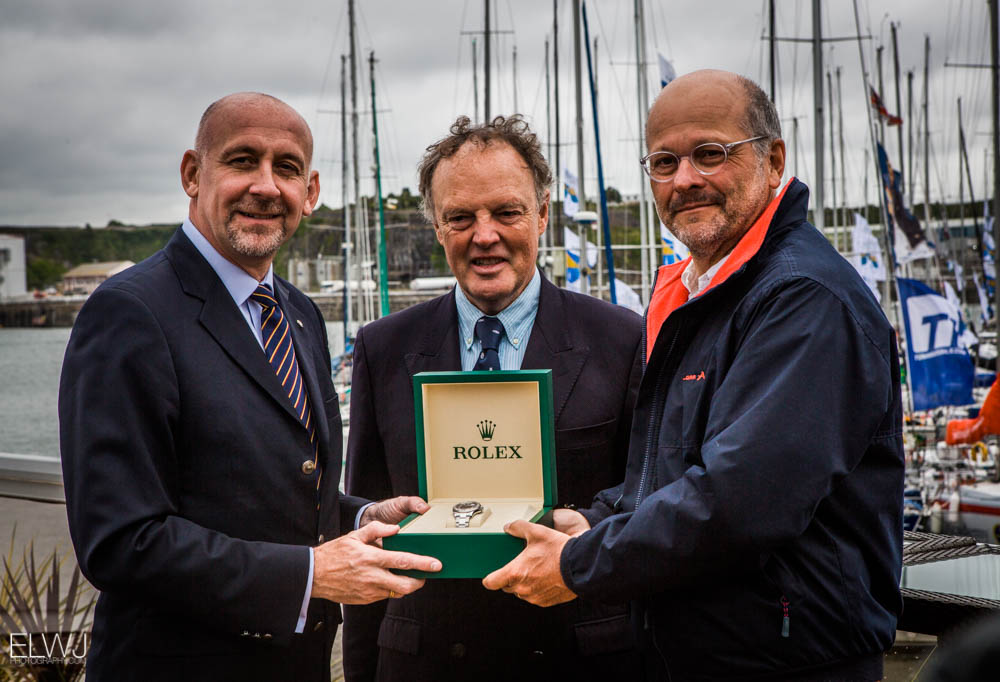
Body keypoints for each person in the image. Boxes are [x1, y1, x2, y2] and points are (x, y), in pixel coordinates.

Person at [484, 70, 904, 681]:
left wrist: (580, 564)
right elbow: (672, 467)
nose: (685, 179)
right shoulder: (705, 292)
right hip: (710, 653)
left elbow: (744, 499)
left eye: (711, 154)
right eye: (664, 161)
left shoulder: (803, 298)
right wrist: (600, 521)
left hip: (786, 661)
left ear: (772, 159)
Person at [59, 92, 440, 682]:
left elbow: (270, 496)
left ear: (309, 193)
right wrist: (312, 575)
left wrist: (359, 518)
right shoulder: (129, 313)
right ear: (192, 173)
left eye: (286, 168)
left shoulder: (299, 314)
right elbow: (120, 540)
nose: (266, 186)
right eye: (242, 160)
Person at [342, 115, 644, 681]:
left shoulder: (622, 338)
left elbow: (646, 494)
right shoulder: (383, 348)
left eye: (507, 212)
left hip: (577, 656)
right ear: (437, 225)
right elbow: (367, 530)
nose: (485, 235)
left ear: (543, 215)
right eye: (461, 217)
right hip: (425, 661)